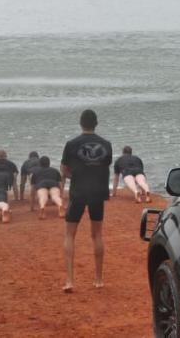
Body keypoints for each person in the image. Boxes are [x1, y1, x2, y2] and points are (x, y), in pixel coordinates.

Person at [61, 109, 112, 292]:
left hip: (78, 191)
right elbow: (104, 166)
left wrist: (75, 175)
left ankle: (70, 280)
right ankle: (98, 279)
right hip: (98, 191)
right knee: (97, 235)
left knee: (70, 235)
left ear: (81, 123)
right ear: (96, 123)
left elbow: (64, 170)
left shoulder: (71, 144)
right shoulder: (106, 144)